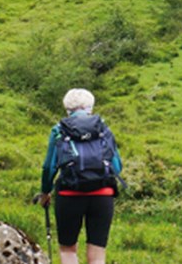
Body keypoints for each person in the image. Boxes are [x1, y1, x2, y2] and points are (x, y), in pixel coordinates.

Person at [39, 88, 123, 264]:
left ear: (67, 108)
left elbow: (49, 167)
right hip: (103, 194)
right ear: (90, 107)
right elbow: (117, 166)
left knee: (68, 250)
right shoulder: (103, 128)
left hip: (70, 194)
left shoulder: (59, 130)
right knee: (98, 252)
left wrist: (45, 192)